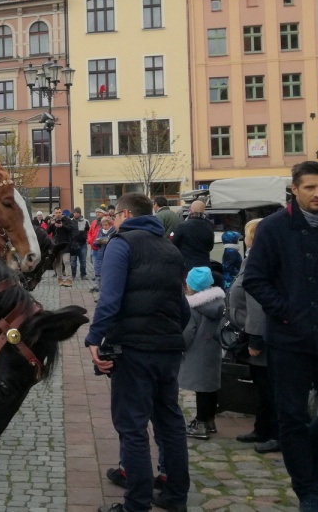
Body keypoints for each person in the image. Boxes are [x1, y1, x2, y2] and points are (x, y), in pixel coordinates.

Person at [85, 192, 190, 512]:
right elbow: (183, 308)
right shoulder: (170, 249)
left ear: (125, 214)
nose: (113, 221)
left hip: (134, 349)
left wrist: (94, 338)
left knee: (132, 426)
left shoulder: (122, 243)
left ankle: (136, 504)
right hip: (168, 348)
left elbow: (110, 298)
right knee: (169, 422)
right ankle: (174, 495)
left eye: (115, 216)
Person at [244, 161, 318, 512]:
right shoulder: (274, 228)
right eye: (310, 187)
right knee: (291, 416)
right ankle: (308, 490)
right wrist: (287, 310)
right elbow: (255, 279)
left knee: (305, 425)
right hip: (290, 339)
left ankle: (306, 457)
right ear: (295, 189)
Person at [230, 218, 280, 454]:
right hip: (252, 331)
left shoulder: (259, 262)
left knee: (270, 387)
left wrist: (255, 338)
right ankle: (262, 428)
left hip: (260, 335)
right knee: (262, 386)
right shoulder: (253, 259)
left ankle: (275, 433)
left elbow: (257, 303)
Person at [179, 266, 225, 440]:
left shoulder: (193, 307)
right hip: (212, 350)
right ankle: (210, 419)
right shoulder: (218, 302)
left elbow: (188, 332)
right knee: (211, 387)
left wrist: (180, 346)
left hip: (198, 352)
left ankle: (201, 423)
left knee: (201, 389)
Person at [172, 199, 213, 273]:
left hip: (188, 265)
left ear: (190, 210)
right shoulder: (209, 226)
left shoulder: (183, 226)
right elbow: (210, 246)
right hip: (204, 265)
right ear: (204, 210)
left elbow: (174, 244)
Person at [46, 206, 73, 287]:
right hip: (56, 244)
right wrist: (51, 224)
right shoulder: (52, 220)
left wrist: (62, 226)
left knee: (66, 261)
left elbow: (70, 229)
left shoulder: (67, 219)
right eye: (56, 213)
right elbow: (48, 232)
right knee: (58, 262)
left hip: (66, 243)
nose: (58, 214)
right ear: (54, 213)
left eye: (59, 212)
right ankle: (60, 278)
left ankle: (69, 279)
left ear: (61, 212)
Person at [89, 216, 115, 293]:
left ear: (110, 224)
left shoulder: (114, 231)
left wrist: (108, 241)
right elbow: (95, 242)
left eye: (106, 225)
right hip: (100, 253)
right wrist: (97, 242)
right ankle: (98, 286)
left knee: (108, 272)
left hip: (110, 253)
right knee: (98, 270)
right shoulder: (100, 231)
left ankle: (107, 288)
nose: (104, 227)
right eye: (103, 225)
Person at [69, 207, 89, 281]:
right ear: (73, 213)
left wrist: (87, 239)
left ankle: (83, 274)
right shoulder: (70, 221)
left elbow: (89, 231)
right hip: (73, 244)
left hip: (83, 244)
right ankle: (73, 275)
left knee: (83, 260)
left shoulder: (85, 221)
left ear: (80, 213)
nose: (76, 214)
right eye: (75, 212)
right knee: (73, 261)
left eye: (78, 212)